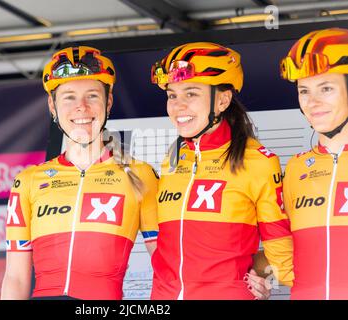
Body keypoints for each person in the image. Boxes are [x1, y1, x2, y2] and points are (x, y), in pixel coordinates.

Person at [0, 46, 159, 300]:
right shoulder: (27, 181)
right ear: (52, 105)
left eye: (92, 96)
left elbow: (167, 269)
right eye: (69, 97)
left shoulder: (140, 175)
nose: (81, 107)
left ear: (108, 101)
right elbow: (15, 278)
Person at [149, 42, 294, 300]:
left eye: (191, 94)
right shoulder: (171, 160)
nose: (178, 106)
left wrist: (261, 274)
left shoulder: (258, 161)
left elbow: (282, 255)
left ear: (223, 99)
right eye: (172, 95)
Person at [280, 27, 348, 300]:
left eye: (327, 88)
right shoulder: (296, 169)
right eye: (304, 90)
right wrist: (258, 273)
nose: (313, 102)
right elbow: (284, 250)